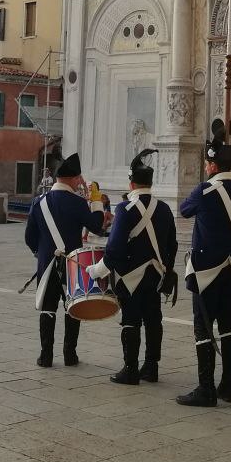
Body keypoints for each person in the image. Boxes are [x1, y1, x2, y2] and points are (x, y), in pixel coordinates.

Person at [176, 119, 231, 407]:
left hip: (206, 272)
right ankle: (229, 385)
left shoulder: (204, 191)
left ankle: (206, 388)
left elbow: (184, 210)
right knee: (229, 326)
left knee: (203, 327)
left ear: (211, 165)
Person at [86, 149, 177, 385]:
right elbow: (172, 245)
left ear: (131, 182)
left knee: (131, 320)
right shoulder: (165, 209)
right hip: (155, 274)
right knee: (154, 320)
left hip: (131, 276)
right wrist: (166, 269)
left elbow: (114, 249)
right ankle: (151, 367)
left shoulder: (125, 209)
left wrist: (97, 270)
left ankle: (131, 369)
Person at [24, 151, 106, 367]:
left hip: (47, 263)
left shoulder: (38, 202)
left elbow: (29, 237)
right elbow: (97, 225)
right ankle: (70, 355)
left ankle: (46, 356)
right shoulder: (78, 203)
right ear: (73, 178)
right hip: (73, 264)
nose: (80, 182)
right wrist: (96, 200)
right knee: (73, 307)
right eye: (78, 178)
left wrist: (39, 252)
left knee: (48, 308)